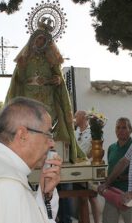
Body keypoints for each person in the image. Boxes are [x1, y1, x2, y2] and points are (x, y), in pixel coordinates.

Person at [5, 19, 84, 162]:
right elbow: (19, 80)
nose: (40, 42)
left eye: (43, 39)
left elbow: (59, 78)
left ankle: (50, 151)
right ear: (33, 39)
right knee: (30, 122)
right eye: (38, 38)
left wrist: (57, 80)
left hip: (48, 96)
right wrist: (22, 67)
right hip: (29, 96)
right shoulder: (25, 58)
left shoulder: (51, 59)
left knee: (48, 122)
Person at [96, 118, 132, 223]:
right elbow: (111, 169)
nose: (121, 131)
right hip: (111, 194)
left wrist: (121, 177)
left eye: (124, 128)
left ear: (131, 130)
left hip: (129, 195)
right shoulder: (111, 148)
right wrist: (107, 179)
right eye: (118, 128)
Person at [74, 110, 102, 223]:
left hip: (90, 169)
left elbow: (94, 151)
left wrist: (85, 159)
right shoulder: (75, 132)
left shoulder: (93, 131)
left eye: (76, 116)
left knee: (93, 198)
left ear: (83, 118)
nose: (74, 118)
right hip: (77, 170)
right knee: (80, 198)